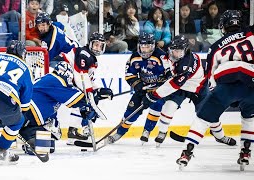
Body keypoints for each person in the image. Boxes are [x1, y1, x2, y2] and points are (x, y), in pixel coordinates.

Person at [175, 10, 254, 170]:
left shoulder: (215, 47)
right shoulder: (251, 32)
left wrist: (217, 94)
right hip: (251, 83)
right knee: (249, 118)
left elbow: (210, 78)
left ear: (223, 26)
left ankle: (186, 153)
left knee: (202, 118)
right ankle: (245, 152)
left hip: (226, 85)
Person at [146, 35, 236, 147]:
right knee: (168, 107)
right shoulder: (171, 55)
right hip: (181, 88)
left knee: (209, 114)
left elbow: (174, 84)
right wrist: (167, 72)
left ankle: (220, 137)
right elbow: (165, 62)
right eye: (173, 51)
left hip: (198, 88)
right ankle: (162, 132)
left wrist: (154, 95)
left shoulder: (188, 62)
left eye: (178, 51)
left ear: (185, 50)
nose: (175, 54)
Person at [19, 61, 97, 155]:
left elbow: (53, 112)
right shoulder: (56, 80)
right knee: (42, 146)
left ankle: (29, 141)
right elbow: (77, 99)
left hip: (29, 117)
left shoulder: (51, 82)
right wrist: (89, 103)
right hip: (28, 113)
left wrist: (54, 128)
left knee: (47, 147)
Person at [107, 32, 170, 144]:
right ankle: (120, 132)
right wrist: (138, 85)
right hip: (143, 89)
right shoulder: (134, 57)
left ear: (153, 46)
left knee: (157, 106)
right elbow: (129, 75)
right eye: (142, 46)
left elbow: (170, 74)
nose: (144, 49)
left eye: (147, 46)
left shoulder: (161, 56)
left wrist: (163, 83)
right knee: (131, 111)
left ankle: (147, 130)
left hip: (157, 90)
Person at [61, 32, 113, 144]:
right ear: (90, 44)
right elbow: (80, 74)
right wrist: (91, 92)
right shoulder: (84, 53)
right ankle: (78, 130)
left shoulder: (92, 58)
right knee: (84, 100)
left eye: (100, 46)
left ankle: (74, 132)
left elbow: (88, 79)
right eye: (96, 45)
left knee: (85, 100)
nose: (98, 48)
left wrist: (98, 90)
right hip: (60, 75)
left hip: (68, 78)